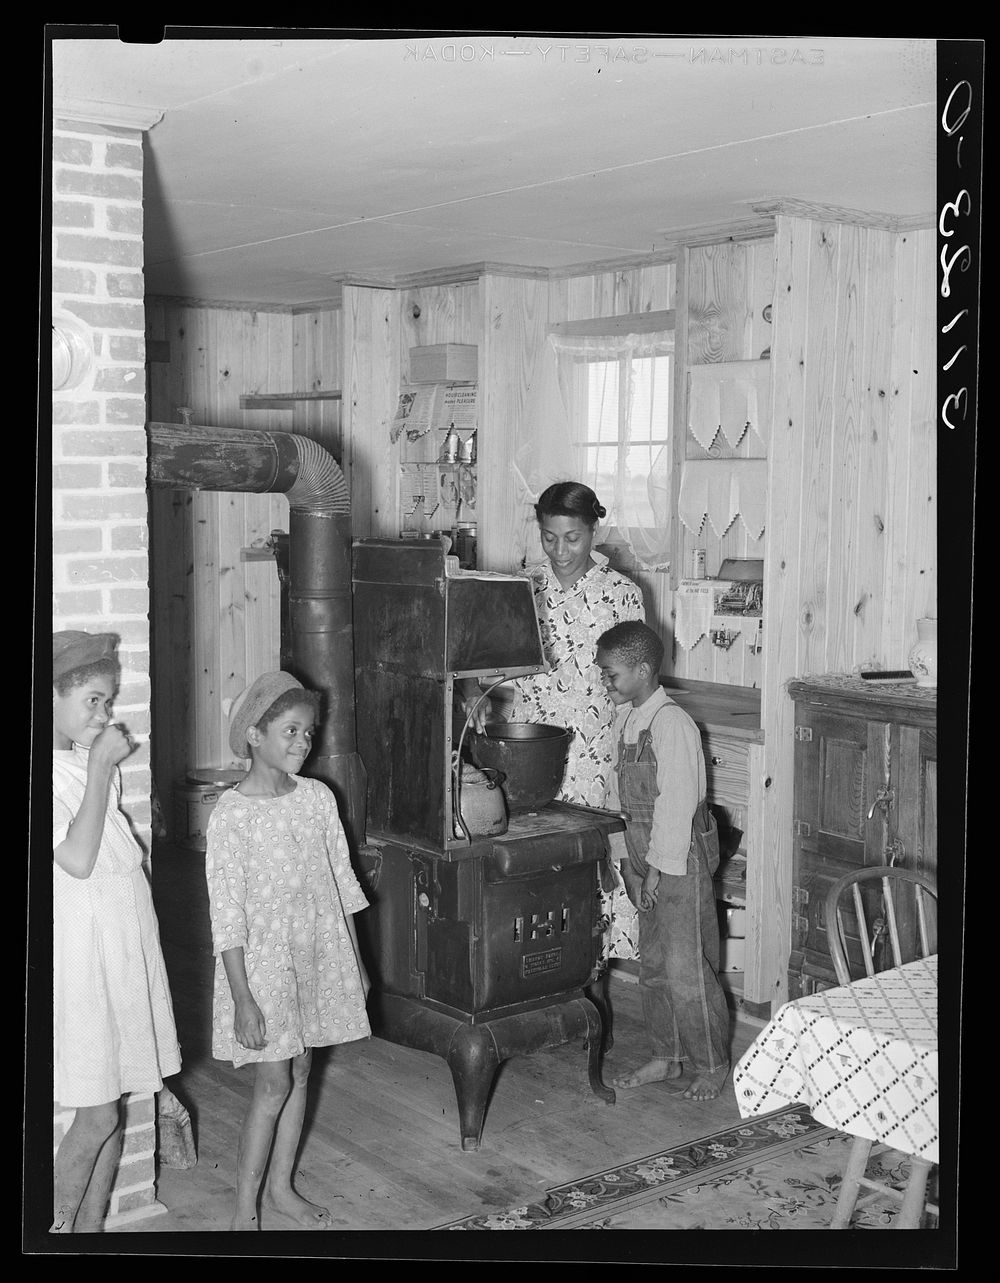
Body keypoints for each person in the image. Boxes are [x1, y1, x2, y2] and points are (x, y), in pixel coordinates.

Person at [206, 671, 371, 1231]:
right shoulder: (230, 815)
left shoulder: (319, 798)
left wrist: (358, 963)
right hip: (261, 970)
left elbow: (343, 885)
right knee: (272, 1082)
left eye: (309, 733)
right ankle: (242, 1211)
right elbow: (225, 918)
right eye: (291, 731)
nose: (303, 743)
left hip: (317, 955)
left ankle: (281, 1189)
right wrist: (242, 1000)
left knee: (301, 1070)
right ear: (255, 735)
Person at [460, 481, 645, 964]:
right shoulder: (524, 588)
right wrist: (477, 688)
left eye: (573, 538)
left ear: (593, 531)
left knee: (585, 865)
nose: (560, 550)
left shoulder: (621, 596)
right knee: (530, 861)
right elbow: (493, 663)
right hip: (522, 748)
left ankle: (588, 971)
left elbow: (632, 683)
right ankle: (534, 967)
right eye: (549, 537)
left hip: (593, 754)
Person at [52, 631, 181, 1232]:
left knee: (120, 1098)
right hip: (81, 950)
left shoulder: (86, 762)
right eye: (93, 702)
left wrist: (98, 763)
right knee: (97, 1111)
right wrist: (102, 764)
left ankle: (88, 1234)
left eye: (108, 702)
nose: (105, 716)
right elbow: (76, 858)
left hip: (124, 942)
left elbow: (117, 849)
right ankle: (49, 1234)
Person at [595, 620, 730, 1102]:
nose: (605, 683)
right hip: (642, 859)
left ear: (643, 670)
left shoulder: (673, 724)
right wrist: (626, 866)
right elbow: (615, 800)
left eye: (611, 675)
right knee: (652, 965)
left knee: (686, 968)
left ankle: (710, 1063)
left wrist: (652, 871)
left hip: (679, 861)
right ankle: (666, 1055)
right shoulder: (625, 719)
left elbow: (677, 808)